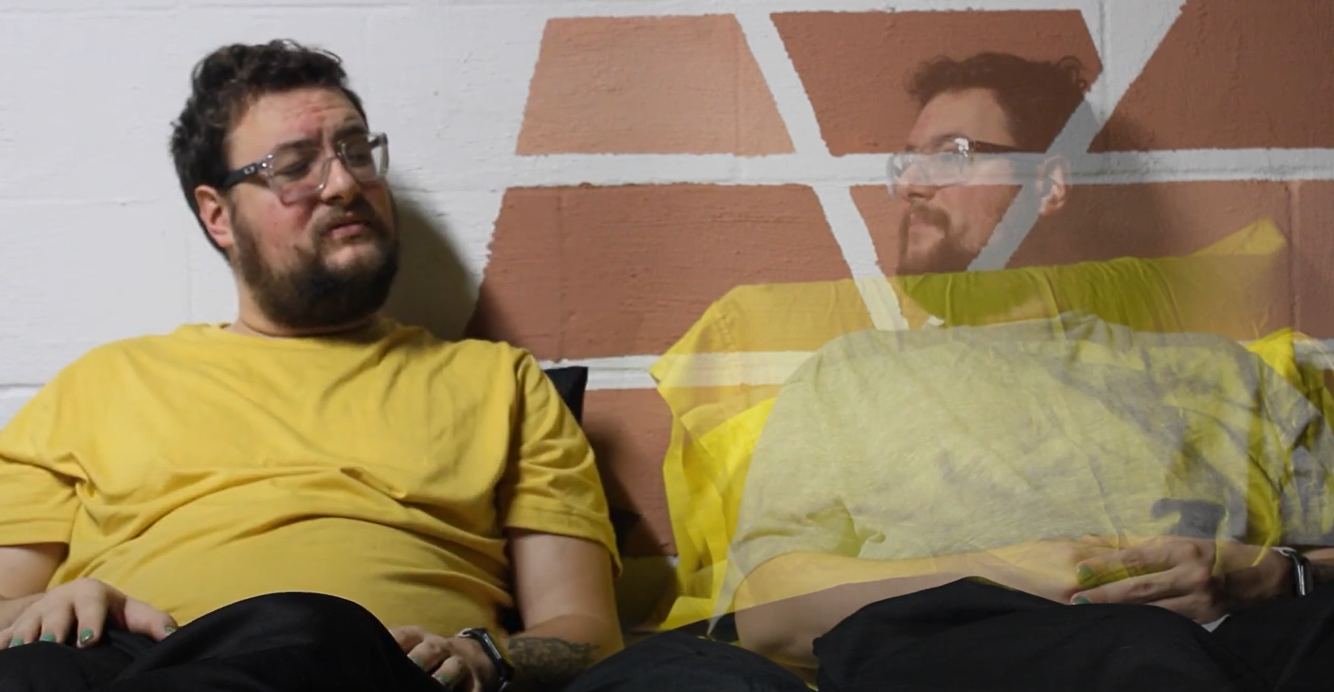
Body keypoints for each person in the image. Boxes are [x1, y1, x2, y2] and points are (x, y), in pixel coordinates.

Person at [562, 53, 1334, 692]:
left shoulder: (1221, 372)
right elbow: (766, 607)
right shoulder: (853, 374)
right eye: (906, 163)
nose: (911, 185)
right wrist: (994, 572)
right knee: (1133, 650)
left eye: (953, 155)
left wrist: (1269, 575)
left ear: (1050, 184)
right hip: (973, 649)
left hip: (1249, 642)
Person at [0, 40, 622, 692]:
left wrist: (483, 656)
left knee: (315, 628)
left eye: (357, 152)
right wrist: (43, 608)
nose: (346, 183)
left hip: (368, 665)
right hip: (125, 661)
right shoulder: (101, 384)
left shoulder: (499, 383)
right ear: (218, 215)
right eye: (295, 167)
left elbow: (586, 632)